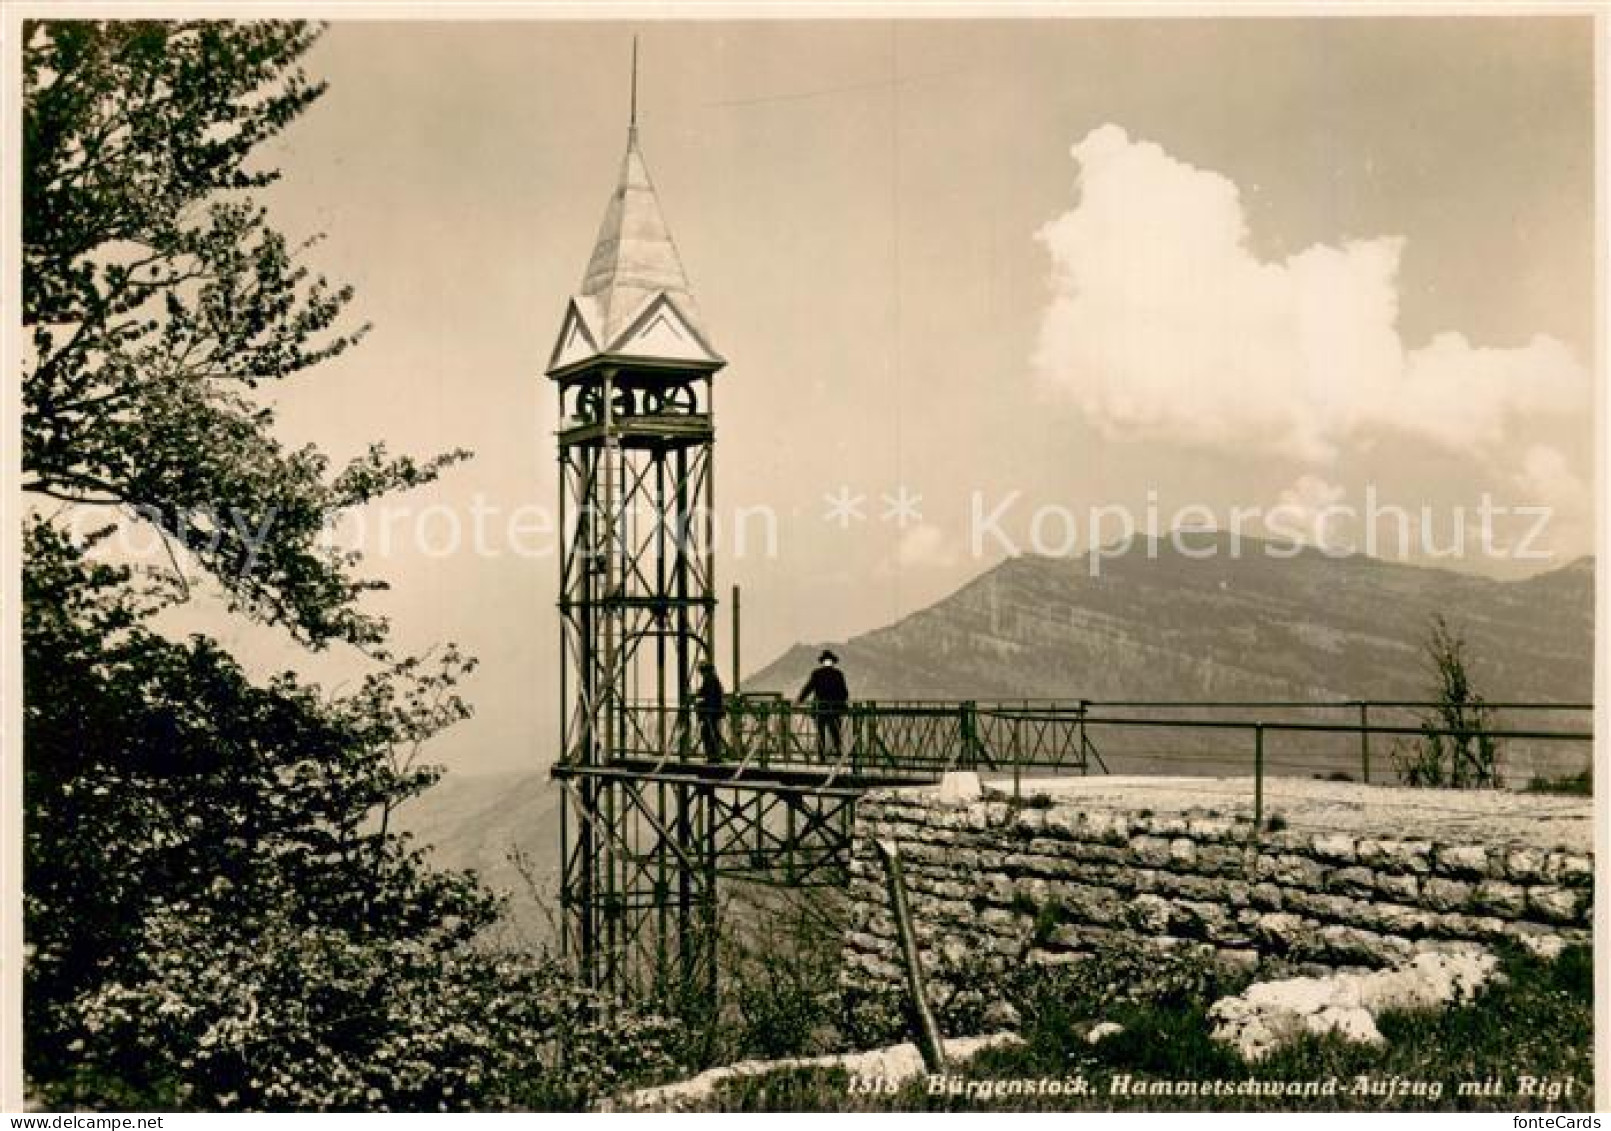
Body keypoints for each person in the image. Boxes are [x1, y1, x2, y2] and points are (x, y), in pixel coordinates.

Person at [797, 649, 850, 758]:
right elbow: (844, 692)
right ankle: (836, 753)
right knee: (833, 731)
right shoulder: (837, 674)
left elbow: (808, 688)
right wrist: (840, 703)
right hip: (832, 708)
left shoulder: (817, 674)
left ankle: (823, 755)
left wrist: (799, 700)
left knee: (823, 732)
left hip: (821, 708)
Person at [695, 660, 725, 760]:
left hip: (711, 712)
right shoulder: (712, 679)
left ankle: (713, 755)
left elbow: (711, 696)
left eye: (702, 671)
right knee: (711, 733)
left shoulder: (710, 680)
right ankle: (713, 754)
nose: (701, 674)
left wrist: (706, 709)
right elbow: (706, 692)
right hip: (713, 711)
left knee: (708, 733)